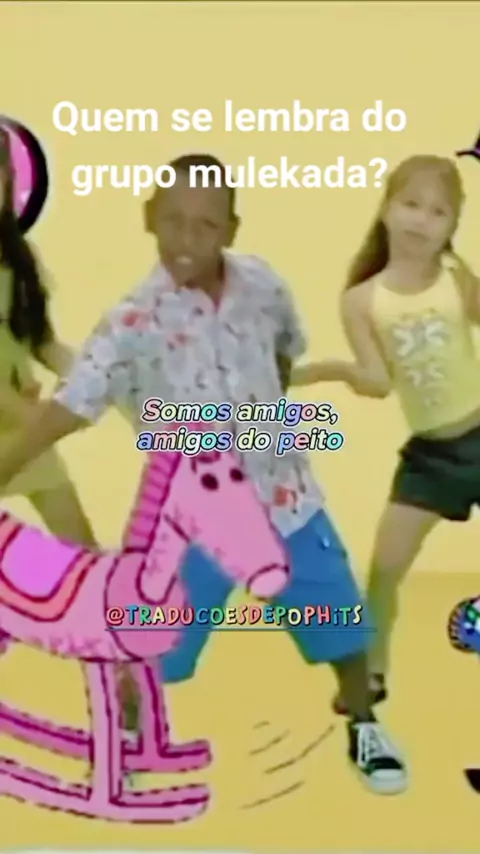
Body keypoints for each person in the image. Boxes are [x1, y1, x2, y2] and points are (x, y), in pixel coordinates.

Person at [0, 152, 407, 794]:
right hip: (189, 522)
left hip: (287, 501)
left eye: (206, 224)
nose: (187, 238)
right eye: (174, 221)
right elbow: (63, 412)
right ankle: (129, 742)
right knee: (147, 646)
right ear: (148, 218)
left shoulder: (263, 284)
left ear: (232, 228)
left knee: (341, 623)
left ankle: (363, 722)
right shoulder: (130, 322)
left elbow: (283, 352)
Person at [291, 154, 479, 713]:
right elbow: (377, 382)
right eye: (411, 204)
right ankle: (371, 675)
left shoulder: (454, 276)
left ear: (452, 225)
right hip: (431, 457)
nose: (422, 219)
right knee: (385, 568)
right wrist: (323, 372)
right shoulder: (361, 301)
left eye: (438, 212)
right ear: (386, 208)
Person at [0, 127, 95, 545]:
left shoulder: (20, 259)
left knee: (83, 550)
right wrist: (40, 418)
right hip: (22, 416)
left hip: (23, 424)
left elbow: (41, 341)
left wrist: (87, 376)